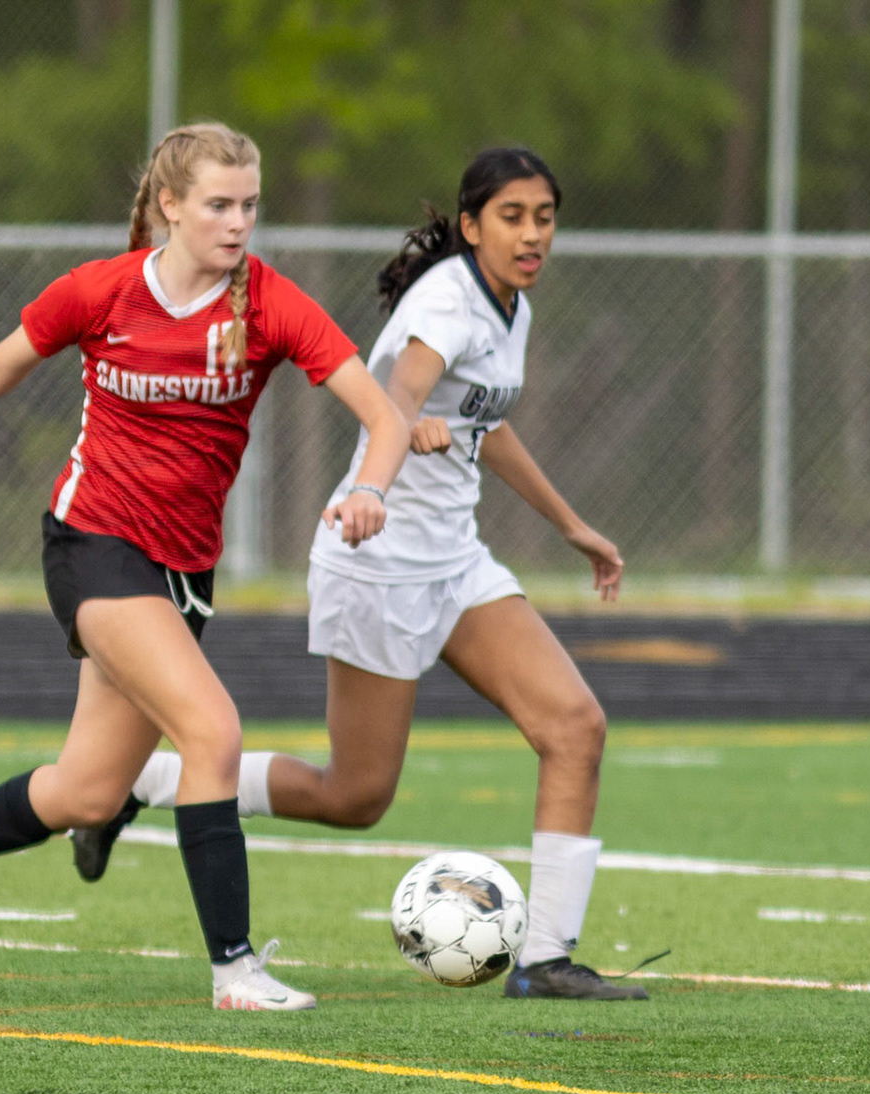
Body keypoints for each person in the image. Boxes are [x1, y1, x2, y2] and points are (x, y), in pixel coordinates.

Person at [0, 122, 414, 1012]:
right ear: (169, 205)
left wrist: (371, 487)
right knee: (211, 733)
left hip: (184, 572)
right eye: (218, 205)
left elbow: (386, 419)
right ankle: (234, 970)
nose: (238, 222)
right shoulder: (102, 291)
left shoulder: (269, 304)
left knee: (87, 793)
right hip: (92, 544)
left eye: (250, 205)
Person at [78, 148, 643, 1001]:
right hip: (379, 561)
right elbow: (399, 398)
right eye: (512, 217)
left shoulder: (511, 306)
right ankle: (143, 783)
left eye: (545, 217)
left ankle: (545, 960)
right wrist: (399, 436)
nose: (533, 234)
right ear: (471, 226)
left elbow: (485, 423)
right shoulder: (446, 303)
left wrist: (570, 525)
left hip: (455, 561)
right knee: (355, 796)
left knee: (576, 727)